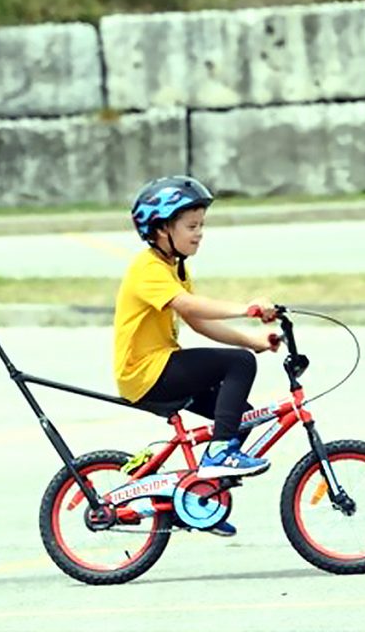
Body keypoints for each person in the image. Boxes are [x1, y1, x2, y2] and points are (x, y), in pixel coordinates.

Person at [113, 175, 279, 535]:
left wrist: (253, 341)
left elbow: (198, 322)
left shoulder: (176, 267)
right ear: (161, 230)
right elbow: (189, 305)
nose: (200, 233)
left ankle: (195, 503)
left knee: (241, 418)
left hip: (161, 366)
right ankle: (219, 455)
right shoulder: (147, 269)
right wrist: (246, 309)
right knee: (238, 364)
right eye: (191, 226)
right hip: (146, 372)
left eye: (201, 225)